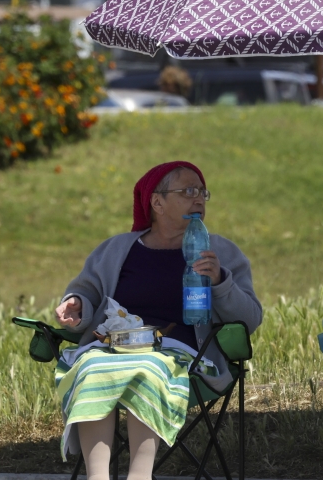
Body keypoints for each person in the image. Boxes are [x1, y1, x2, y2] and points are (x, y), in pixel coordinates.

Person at [53, 162, 262, 480]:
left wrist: (220, 281)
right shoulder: (117, 249)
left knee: (148, 370)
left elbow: (250, 319)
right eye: (187, 191)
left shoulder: (219, 251)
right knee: (91, 368)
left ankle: (140, 476)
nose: (199, 199)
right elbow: (87, 293)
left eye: (202, 192)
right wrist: (76, 303)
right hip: (114, 347)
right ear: (157, 202)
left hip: (185, 358)